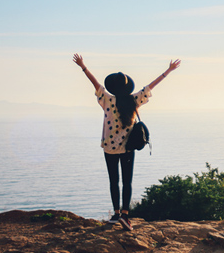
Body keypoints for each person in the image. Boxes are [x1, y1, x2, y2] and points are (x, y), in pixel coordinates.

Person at [72, 53, 181, 230]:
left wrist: (83, 66)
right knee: (127, 181)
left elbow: (95, 84)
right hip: (128, 148)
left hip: (109, 148)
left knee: (113, 181)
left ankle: (115, 214)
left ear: (113, 88)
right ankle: (125, 215)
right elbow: (150, 86)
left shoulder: (107, 100)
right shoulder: (133, 100)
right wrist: (168, 71)